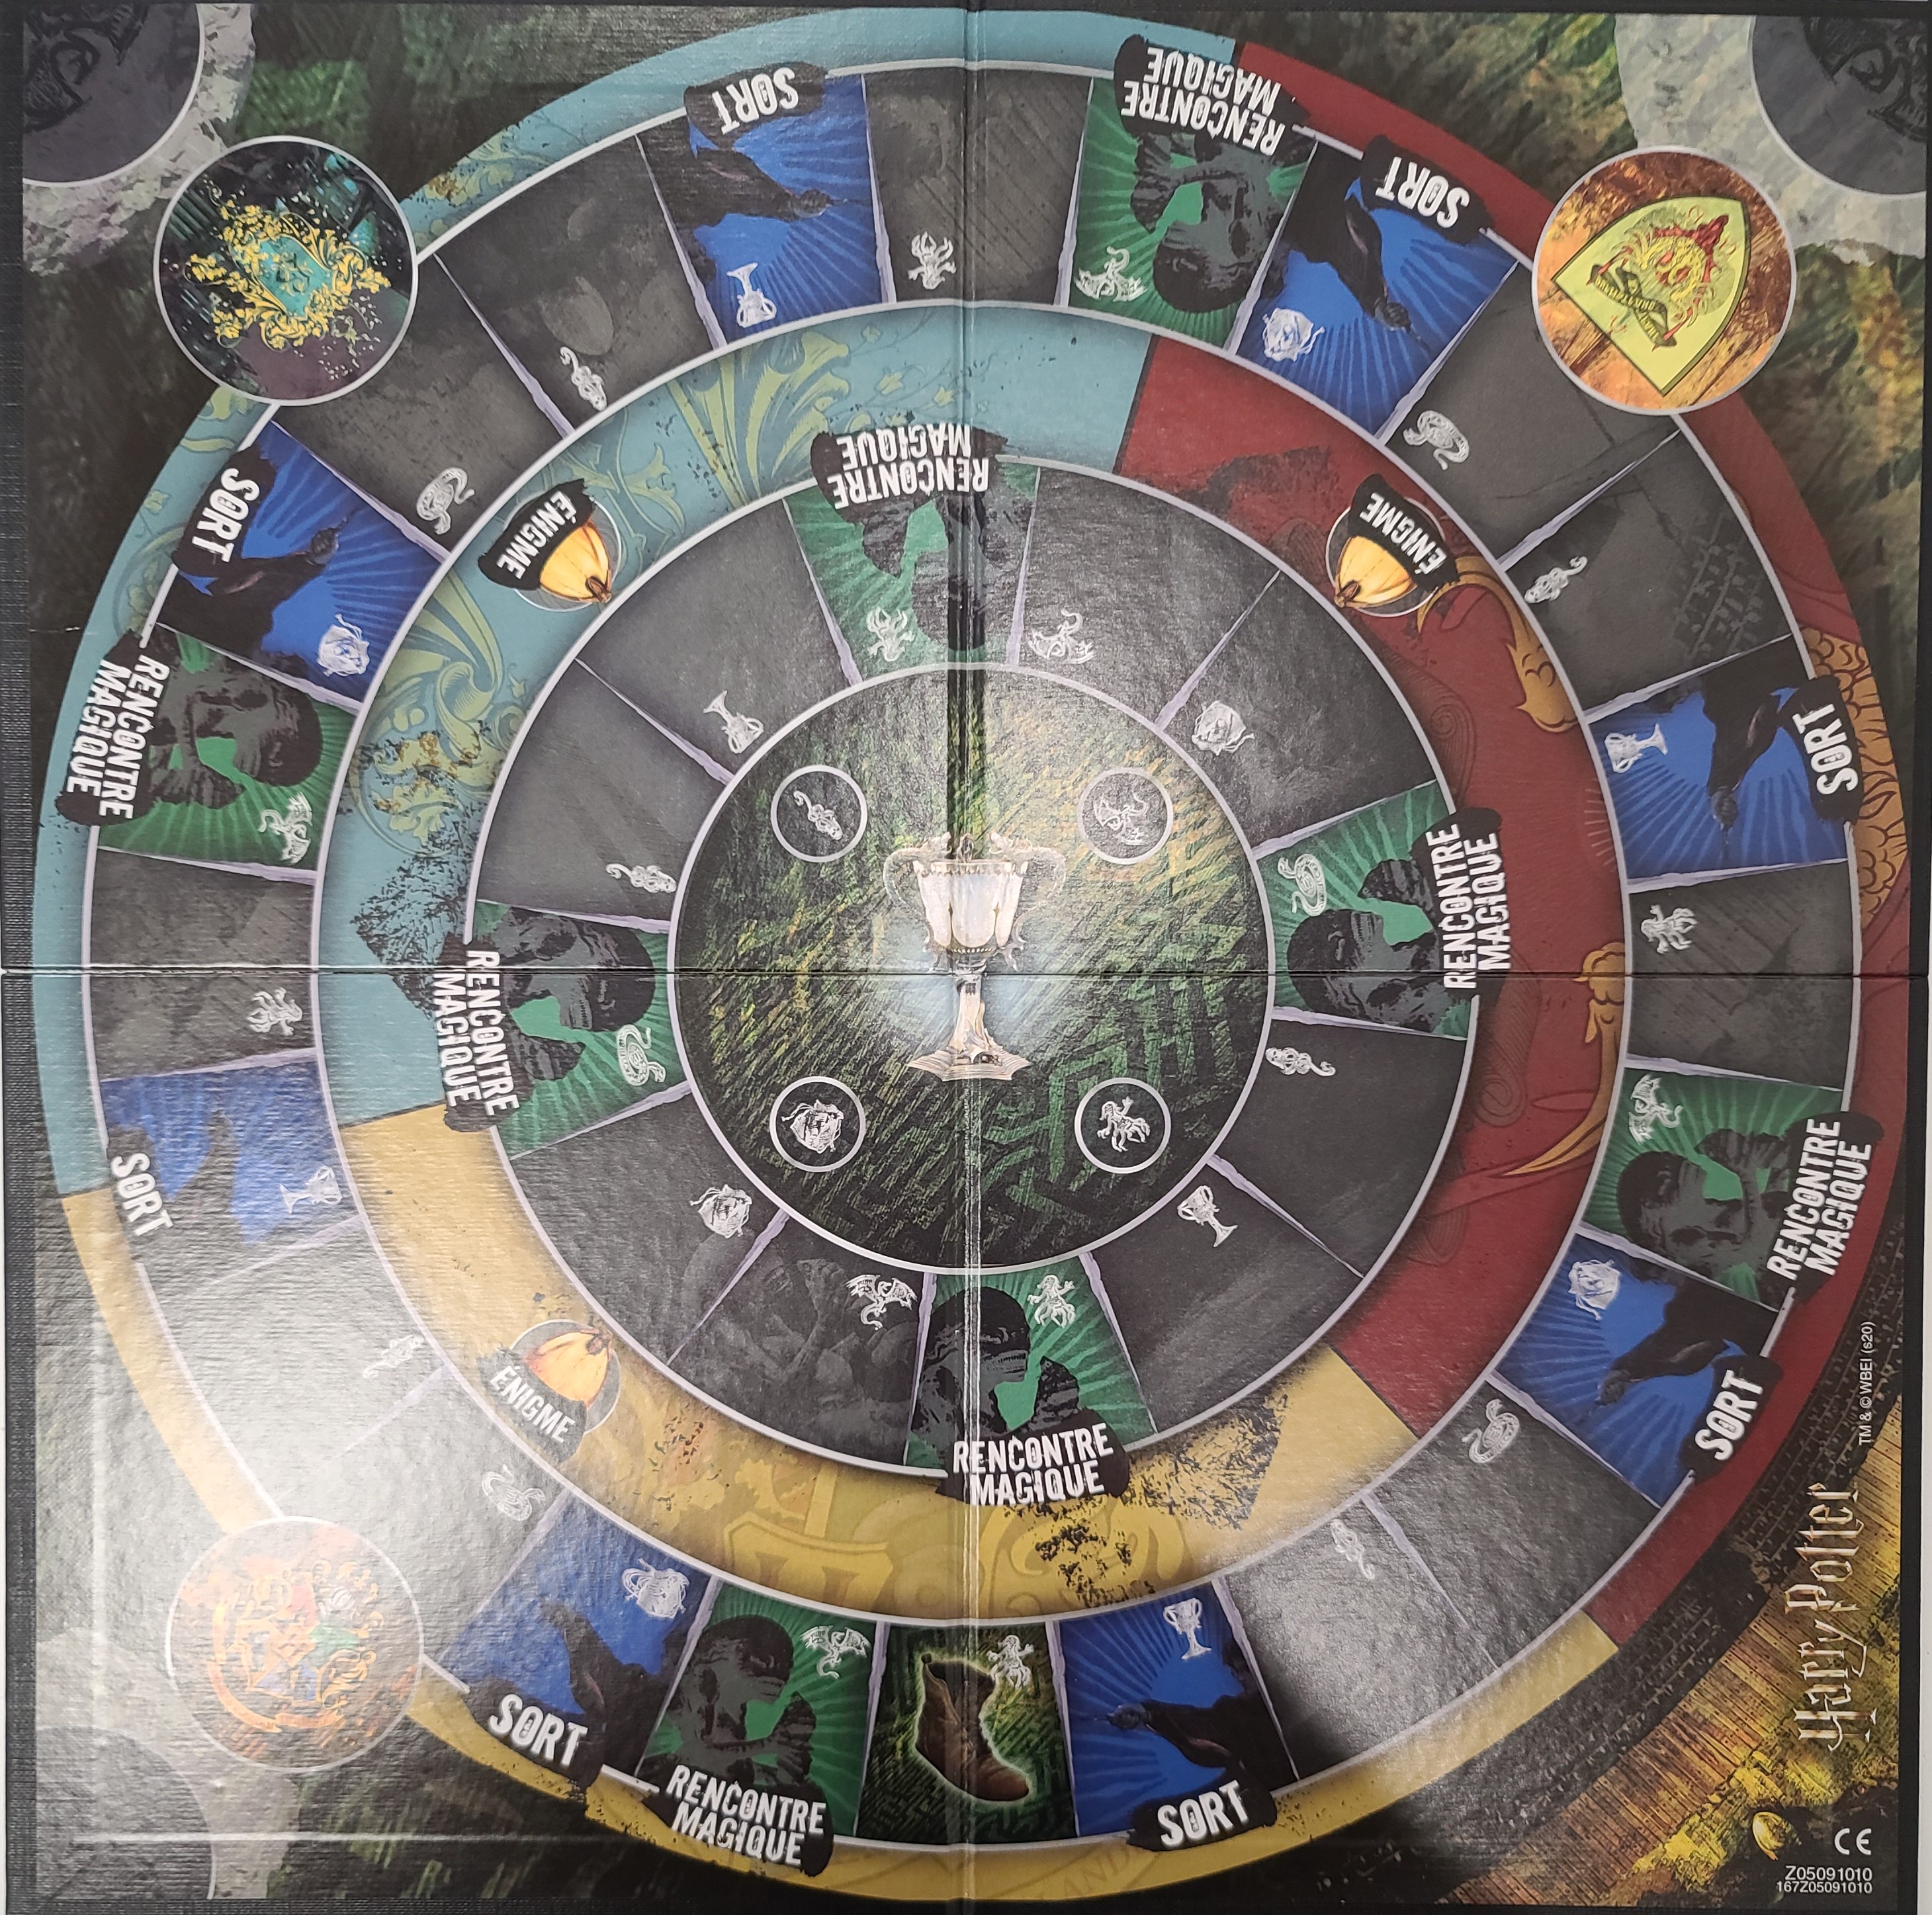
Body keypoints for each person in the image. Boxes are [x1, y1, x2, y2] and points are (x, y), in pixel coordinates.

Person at [136, 632, 324, 814]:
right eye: (267, 767)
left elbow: (179, 720)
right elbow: (185, 696)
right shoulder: (252, 696)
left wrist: (162, 764)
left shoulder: (236, 723)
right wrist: (190, 760)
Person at [908, 1285, 1083, 1463]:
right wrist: (1044, 1421)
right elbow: (960, 1461)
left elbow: (994, 1450)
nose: (1020, 1345)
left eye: (1022, 1334)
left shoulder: (984, 1399)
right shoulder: (937, 1386)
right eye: (997, 1337)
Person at [1616, 1128, 1794, 1298]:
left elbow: (1759, 1223)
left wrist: (1767, 1163)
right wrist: (1747, 1175)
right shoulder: (1684, 1236)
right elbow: (1752, 1242)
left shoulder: (1699, 1216)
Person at [161, 521, 348, 674]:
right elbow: (272, 591)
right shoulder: (250, 627)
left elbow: (268, 594)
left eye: (277, 665)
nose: (274, 657)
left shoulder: (208, 663)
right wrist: (312, 563)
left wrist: (312, 564)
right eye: (281, 658)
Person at [656, 1616, 815, 1791]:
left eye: (786, 1665)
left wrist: (787, 1767)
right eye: (763, 1660)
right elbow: (703, 1752)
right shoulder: (703, 1690)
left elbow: (733, 1761)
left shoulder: (735, 1703)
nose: (780, 1670)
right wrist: (768, 1745)